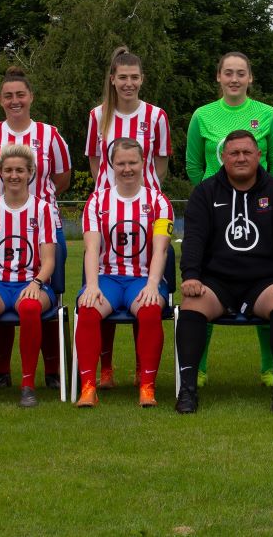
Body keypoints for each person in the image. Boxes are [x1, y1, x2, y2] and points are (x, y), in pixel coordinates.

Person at [175, 131, 273, 414]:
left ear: (258, 156)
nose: (241, 158)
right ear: (223, 157)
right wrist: (191, 276)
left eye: (247, 152)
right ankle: (188, 389)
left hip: (263, 282)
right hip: (217, 282)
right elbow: (194, 240)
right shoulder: (205, 192)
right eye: (234, 153)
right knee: (192, 305)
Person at [185, 52, 273, 387]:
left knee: (268, 284)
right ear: (218, 77)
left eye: (240, 73)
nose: (234, 79)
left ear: (250, 78)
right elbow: (194, 167)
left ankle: (271, 368)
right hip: (216, 211)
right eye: (228, 73)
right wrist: (210, 199)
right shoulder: (203, 115)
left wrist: (264, 199)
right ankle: (196, 369)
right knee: (205, 284)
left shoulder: (268, 114)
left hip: (260, 211)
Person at [0, 67, 71, 391]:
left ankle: (52, 369)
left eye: (20, 95)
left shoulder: (49, 134)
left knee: (45, 297)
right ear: (1, 100)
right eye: (9, 96)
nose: (15, 101)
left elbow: (62, 179)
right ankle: (1, 371)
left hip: (44, 228)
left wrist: (31, 208)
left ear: (31, 98)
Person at [83, 47, 171, 390]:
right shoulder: (98, 115)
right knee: (99, 286)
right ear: (113, 79)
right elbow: (94, 161)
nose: (129, 83)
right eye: (123, 77)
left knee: (147, 285)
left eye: (135, 77)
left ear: (142, 79)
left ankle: (141, 368)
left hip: (148, 208)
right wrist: (108, 189)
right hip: (108, 207)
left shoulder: (156, 116)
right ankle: (104, 369)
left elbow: (160, 162)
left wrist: (147, 189)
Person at [74, 139, 173, 408]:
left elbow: (161, 250)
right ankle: (88, 387)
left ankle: (147, 387)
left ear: (144, 164)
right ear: (111, 165)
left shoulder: (159, 202)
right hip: (108, 278)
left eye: (133, 162)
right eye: (121, 163)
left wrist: (153, 285)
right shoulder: (97, 201)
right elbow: (91, 248)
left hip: (143, 277)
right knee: (89, 308)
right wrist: (92, 285)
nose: (127, 168)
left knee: (150, 308)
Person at [0, 145, 57, 408]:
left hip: (32, 281)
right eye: (8, 170)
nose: (14, 175)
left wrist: (37, 282)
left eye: (20, 170)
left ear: (31, 173)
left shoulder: (43, 210)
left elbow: (49, 259)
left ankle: (28, 385)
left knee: (30, 307)